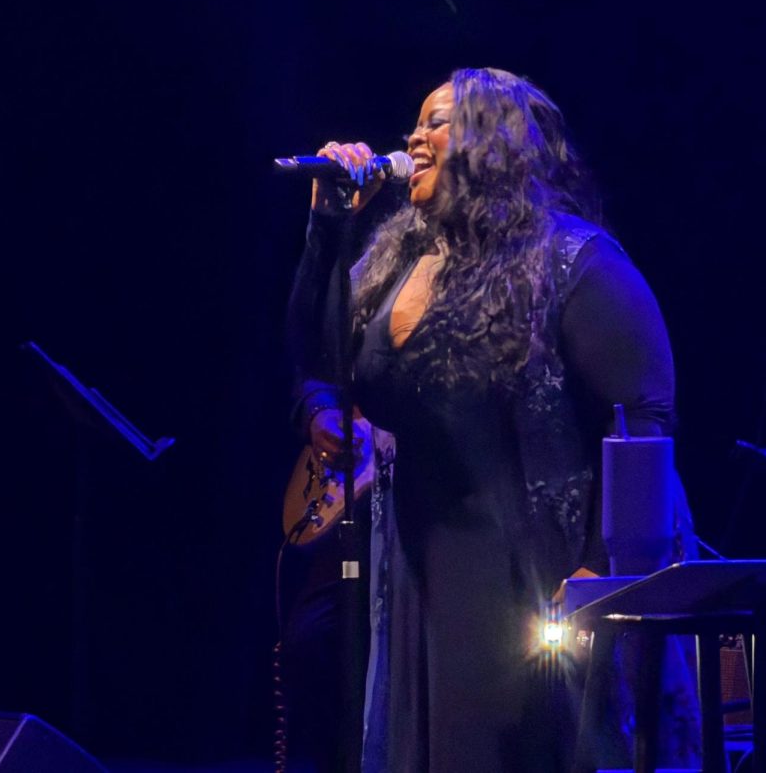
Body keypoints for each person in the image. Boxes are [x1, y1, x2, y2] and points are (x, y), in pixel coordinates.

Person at [294, 68, 692, 772]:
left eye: (437, 121)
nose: (414, 136)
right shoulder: (396, 261)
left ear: (496, 142)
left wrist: (600, 571)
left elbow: (643, 419)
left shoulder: (571, 260)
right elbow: (319, 354)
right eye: (414, 122)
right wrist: (328, 225)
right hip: (421, 570)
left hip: (535, 572)